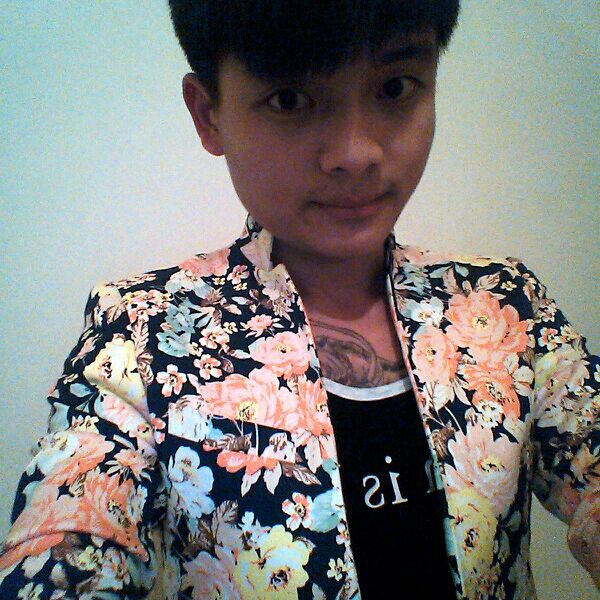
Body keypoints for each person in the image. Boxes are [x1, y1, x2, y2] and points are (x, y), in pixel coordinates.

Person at [0, 1, 598, 598]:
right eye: (289, 99)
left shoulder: (504, 308)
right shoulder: (142, 335)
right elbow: (65, 549)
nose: (356, 153)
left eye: (394, 87)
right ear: (209, 115)